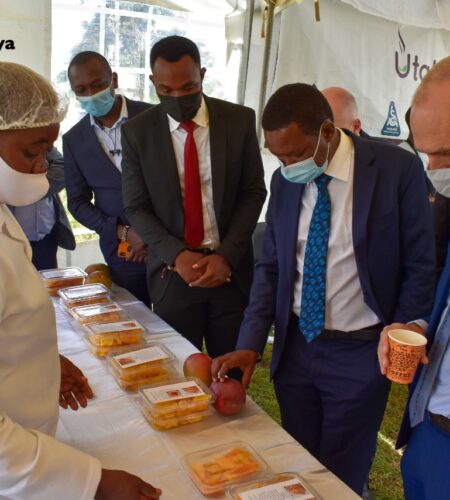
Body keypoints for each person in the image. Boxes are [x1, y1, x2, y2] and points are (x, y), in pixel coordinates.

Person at [211, 83, 435, 495]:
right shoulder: (285, 182)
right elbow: (271, 268)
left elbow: (420, 261)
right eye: (278, 157)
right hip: (298, 346)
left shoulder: (395, 170)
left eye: (296, 154)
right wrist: (250, 344)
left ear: (328, 132)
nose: (288, 166)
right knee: (297, 459)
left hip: (360, 352)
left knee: (342, 473)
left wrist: (405, 328)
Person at [0, 61, 161, 499]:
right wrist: (92, 481)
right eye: (31, 153)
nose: (41, 167)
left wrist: (40, 361)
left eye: (46, 153)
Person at [121, 36, 266, 358]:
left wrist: (226, 256)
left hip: (230, 273)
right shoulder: (137, 133)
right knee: (179, 368)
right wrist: (176, 255)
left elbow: (253, 192)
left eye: (188, 87)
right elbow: (136, 206)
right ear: (153, 83)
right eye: (166, 90)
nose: (177, 97)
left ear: (202, 75)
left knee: (229, 369)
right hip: (173, 276)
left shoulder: (238, 120)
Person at [378, 55, 450, 500]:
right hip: (429, 429)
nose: (434, 169)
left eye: (446, 154)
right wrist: (418, 326)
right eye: (427, 154)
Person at [63, 51, 151, 303]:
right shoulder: (74, 140)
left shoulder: (153, 118)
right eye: (81, 90)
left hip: (170, 247)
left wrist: (152, 237)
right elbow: (77, 202)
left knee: (175, 322)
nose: (91, 94)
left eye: (97, 84)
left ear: (114, 79)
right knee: (134, 318)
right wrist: (122, 232)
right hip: (123, 253)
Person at [8, 146, 75, 270]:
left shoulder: (38, 141)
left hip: (46, 238)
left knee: (48, 281)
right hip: (11, 242)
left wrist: (38, 187)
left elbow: (63, 165)